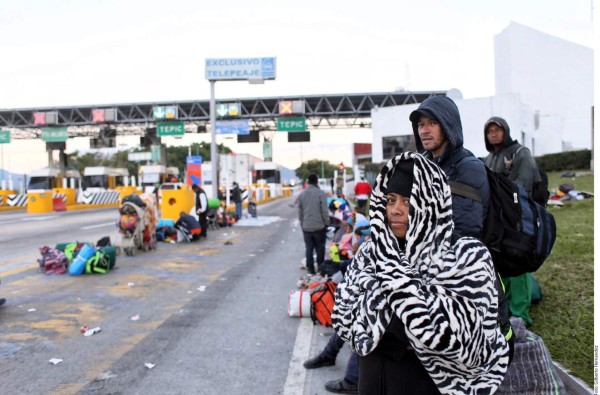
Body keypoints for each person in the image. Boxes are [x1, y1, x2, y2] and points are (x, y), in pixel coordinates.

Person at [332, 152, 510, 394]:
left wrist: (380, 320)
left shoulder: (466, 256)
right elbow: (343, 315)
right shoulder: (372, 252)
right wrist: (410, 320)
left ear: (430, 202)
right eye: (391, 199)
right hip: (372, 380)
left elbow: (473, 339)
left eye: (407, 201)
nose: (395, 210)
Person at [484, 116, 541, 326]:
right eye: (489, 131)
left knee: (519, 262)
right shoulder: (489, 158)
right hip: (500, 220)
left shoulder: (520, 152)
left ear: (505, 131)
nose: (493, 134)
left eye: (497, 130)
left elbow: (524, 186)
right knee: (502, 262)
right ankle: (506, 307)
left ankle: (521, 314)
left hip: (520, 219)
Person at [410, 95, 490, 239]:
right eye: (421, 125)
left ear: (448, 125)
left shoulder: (468, 168)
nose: (424, 131)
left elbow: (464, 232)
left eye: (432, 123)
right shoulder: (427, 168)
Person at [298, 173, 330, 275]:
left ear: (307, 182)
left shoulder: (302, 194)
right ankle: (320, 269)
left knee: (309, 248)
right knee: (320, 248)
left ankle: (310, 269)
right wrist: (327, 223)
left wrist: (303, 224)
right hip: (319, 226)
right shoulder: (321, 193)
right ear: (317, 182)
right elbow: (324, 211)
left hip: (306, 227)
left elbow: (300, 212)